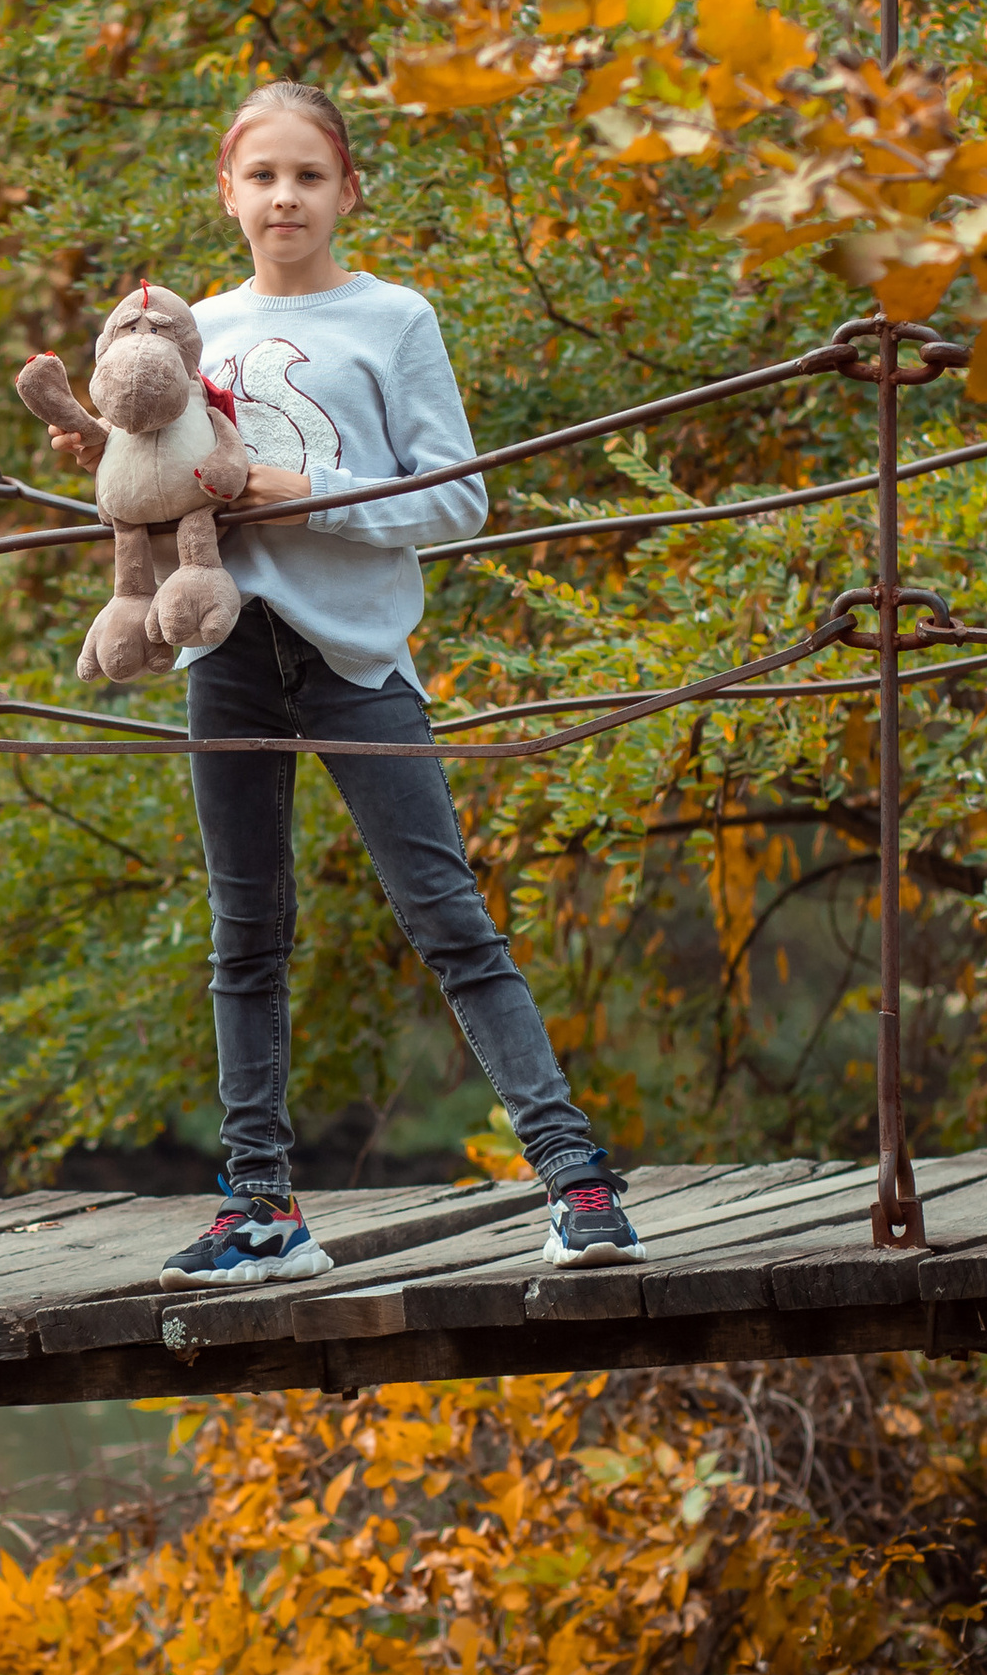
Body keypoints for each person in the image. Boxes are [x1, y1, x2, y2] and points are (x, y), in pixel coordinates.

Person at [51, 81, 643, 1287]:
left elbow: (457, 499)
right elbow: (161, 499)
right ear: (226, 191)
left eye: (307, 176)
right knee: (245, 935)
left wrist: (277, 489)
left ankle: (576, 1180)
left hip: (358, 657)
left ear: (346, 190)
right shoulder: (185, 326)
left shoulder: (394, 320)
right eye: (260, 176)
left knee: (446, 916)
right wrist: (114, 462)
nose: (283, 197)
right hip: (230, 663)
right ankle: (260, 1205)